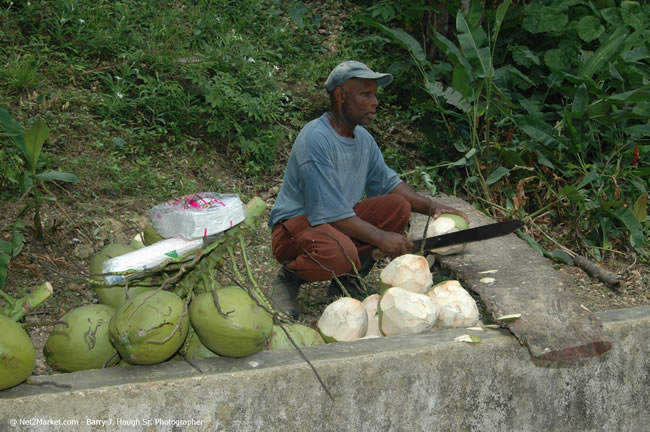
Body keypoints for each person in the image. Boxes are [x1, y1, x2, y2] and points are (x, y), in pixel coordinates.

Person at [268, 60, 468, 318]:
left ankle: (348, 280)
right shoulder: (315, 138)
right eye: (366, 94)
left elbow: (390, 184)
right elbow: (330, 213)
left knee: (397, 207)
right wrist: (381, 238)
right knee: (341, 252)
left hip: (333, 221)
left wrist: (432, 207)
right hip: (294, 229)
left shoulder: (363, 139)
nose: (375, 102)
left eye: (374, 94)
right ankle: (289, 277)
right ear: (340, 95)